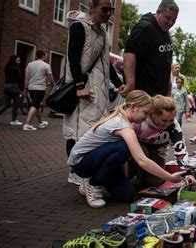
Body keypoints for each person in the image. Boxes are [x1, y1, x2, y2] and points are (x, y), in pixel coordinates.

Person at [68, 90, 195, 208]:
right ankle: (93, 184)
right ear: (133, 107)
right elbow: (141, 160)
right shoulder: (124, 126)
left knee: (127, 195)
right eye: (145, 113)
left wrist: (123, 178)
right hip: (81, 162)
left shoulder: (126, 121)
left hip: (99, 159)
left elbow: (179, 148)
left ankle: (96, 180)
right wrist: (170, 177)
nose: (146, 117)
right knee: (125, 147)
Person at [64, 1, 122, 185]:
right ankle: (75, 171)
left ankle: (84, 169)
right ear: (92, 8)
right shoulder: (79, 27)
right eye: (104, 9)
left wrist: (120, 84)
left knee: (93, 131)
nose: (108, 14)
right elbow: (72, 57)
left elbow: (106, 63)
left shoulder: (103, 32)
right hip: (85, 89)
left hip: (100, 90)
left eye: (110, 10)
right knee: (77, 131)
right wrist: (80, 86)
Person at [129, 95, 190, 188]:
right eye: (164, 120)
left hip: (158, 152)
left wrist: (186, 173)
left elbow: (180, 151)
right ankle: (131, 175)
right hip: (139, 151)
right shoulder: (142, 120)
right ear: (153, 114)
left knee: (156, 182)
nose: (167, 124)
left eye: (171, 120)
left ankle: (144, 176)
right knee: (142, 152)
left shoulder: (173, 126)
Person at [121, 0, 179, 97]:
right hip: (144, 93)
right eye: (168, 18)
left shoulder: (164, 31)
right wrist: (130, 83)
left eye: (174, 20)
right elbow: (129, 54)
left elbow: (165, 60)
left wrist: (168, 83)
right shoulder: (145, 28)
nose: (170, 23)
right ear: (158, 12)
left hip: (159, 93)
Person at [22, 50, 54, 131]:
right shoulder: (46, 65)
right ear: (43, 56)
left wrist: (26, 88)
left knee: (36, 105)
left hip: (31, 88)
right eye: (46, 55)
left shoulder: (30, 64)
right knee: (34, 105)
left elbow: (26, 77)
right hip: (40, 88)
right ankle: (27, 124)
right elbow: (50, 77)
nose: (47, 57)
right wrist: (53, 85)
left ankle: (40, 123)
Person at [0, 55, 24, 125]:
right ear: (14, 60)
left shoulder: (7, 67)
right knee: (16, 104)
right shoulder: (16, 68)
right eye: (18, 60)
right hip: (14, 87)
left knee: (7, 104)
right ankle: (14, 120)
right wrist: (22, 89)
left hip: (6, 86)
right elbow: (19, 79)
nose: (19, 62)